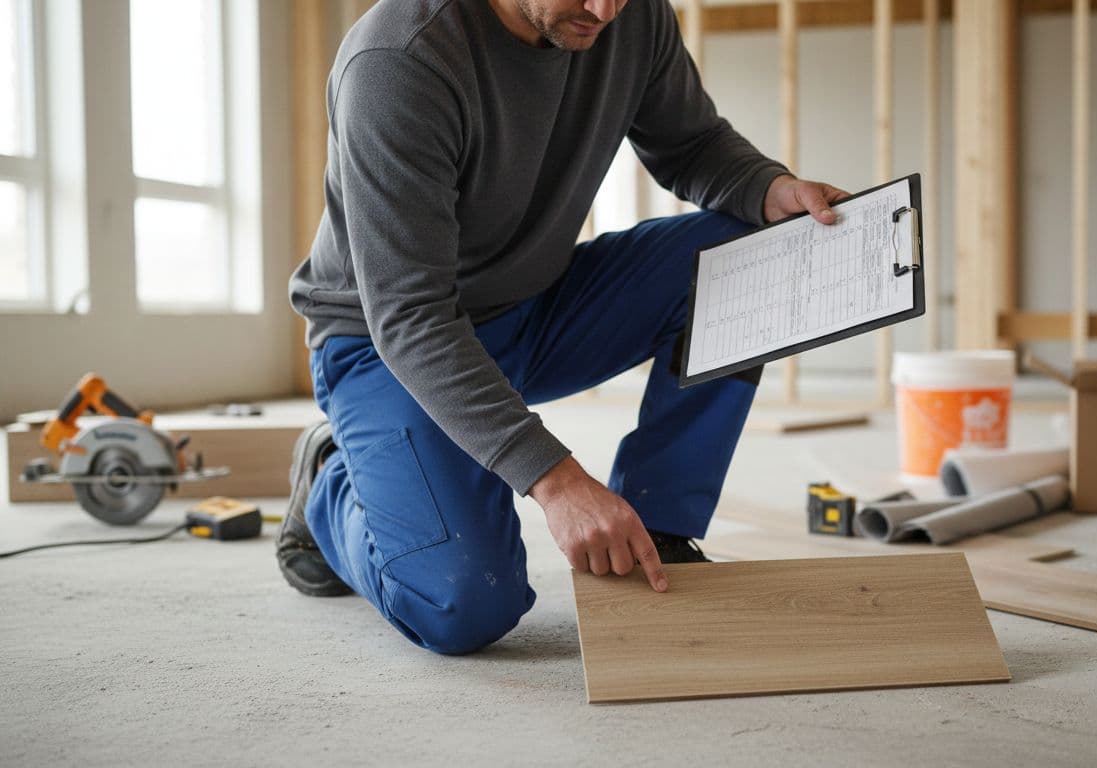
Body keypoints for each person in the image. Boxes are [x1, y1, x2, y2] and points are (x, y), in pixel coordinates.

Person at [279, 0, 847, 655]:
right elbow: (411, 317)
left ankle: (654, 531)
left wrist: (766, 187)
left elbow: (690, 143)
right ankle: (330, 480)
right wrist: (560, 481)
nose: (605, 9)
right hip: (386, 345)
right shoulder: (399, 62)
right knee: (462, 604)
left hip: (536, 306)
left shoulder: (628, 16)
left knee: (751, 253)